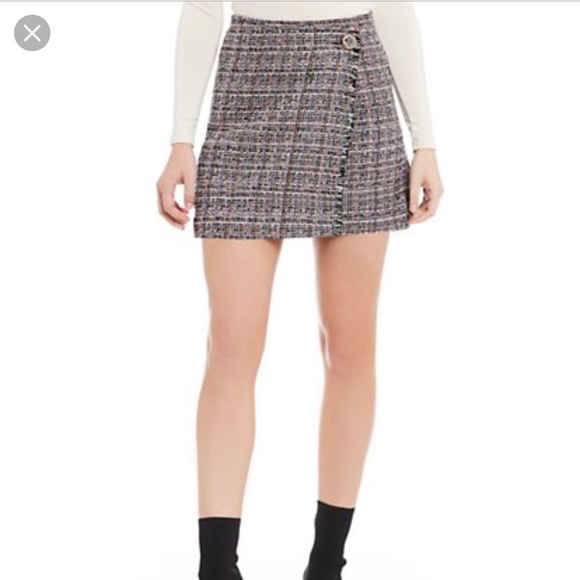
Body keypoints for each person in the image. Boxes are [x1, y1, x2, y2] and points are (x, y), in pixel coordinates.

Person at [156, 2, 444, 579]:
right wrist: (181, 138)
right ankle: (216, 568)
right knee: (230, 349)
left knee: (348, 348)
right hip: (248, 81)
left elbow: (392, 7)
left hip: (353, 86)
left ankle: (327, 563)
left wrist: (426, 143)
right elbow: (204, 7)